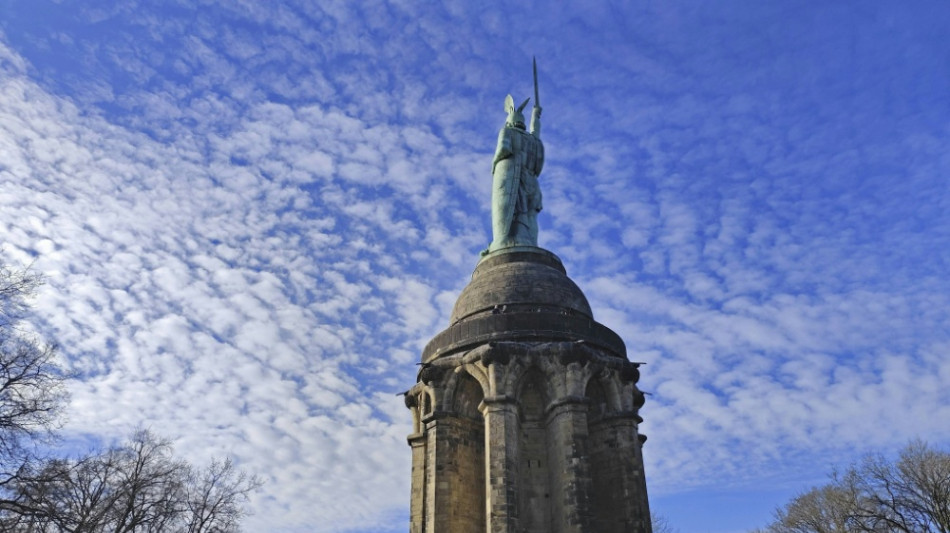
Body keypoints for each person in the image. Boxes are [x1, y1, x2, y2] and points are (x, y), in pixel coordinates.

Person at [487, 94, 544, 253]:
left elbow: (503, 149)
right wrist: (535, 117)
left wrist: (495, 166)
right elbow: (536, 135)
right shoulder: (532, 141)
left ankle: (502, 240)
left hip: (511, 175)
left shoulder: (507, 132)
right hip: (531, 182)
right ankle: (530, 241)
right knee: (528, 213)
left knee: (507, 209)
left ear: (509, 122)